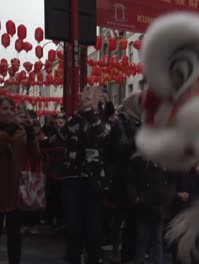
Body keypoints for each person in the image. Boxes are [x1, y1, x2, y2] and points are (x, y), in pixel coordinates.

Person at [61, 91, 112, 264]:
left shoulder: (103, 120)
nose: (85, 101)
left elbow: (103, 133)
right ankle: (74, 258)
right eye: (83, 97)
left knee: (93, 229)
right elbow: (61, 135)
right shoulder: (74, 121)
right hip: (72, 179)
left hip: (94, 182)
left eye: (90, 98)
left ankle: (93, 258)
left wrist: (91, 112)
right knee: (73, 228)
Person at [0, 96, 38, 264]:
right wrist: (11, 128)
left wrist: (30, 132)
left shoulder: (21, 131)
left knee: (14, 235)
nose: (8, 112)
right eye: (4, 108)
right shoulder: (12, 129)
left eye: (10, 109)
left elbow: (35, 154)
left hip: (16, 187)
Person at [106, 92, 142, 264]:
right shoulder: (121, 122)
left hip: (133, 175)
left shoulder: (136, 122)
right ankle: (120, 251)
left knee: (131, 217)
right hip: (123, 176)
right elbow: (122, 147)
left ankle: (129, 252)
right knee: (123, 216)